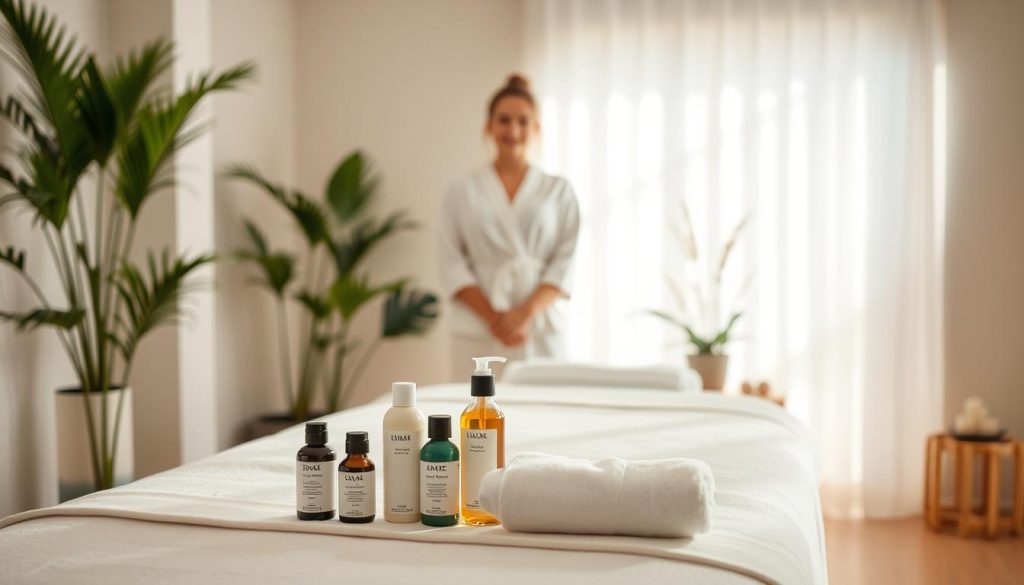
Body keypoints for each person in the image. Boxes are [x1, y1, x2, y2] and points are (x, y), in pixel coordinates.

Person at [438, 74, 580, 378]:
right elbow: (451, 262)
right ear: (489, 125)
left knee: (546, 416)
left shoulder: (559, 190)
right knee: (475, 416)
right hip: (477, 330)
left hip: (539, 328)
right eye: (504, 120)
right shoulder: (461, 191)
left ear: (536, 127)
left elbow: (565, 262)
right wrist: (495, 319)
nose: (513, 130)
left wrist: (524, 313)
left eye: (523, 121)